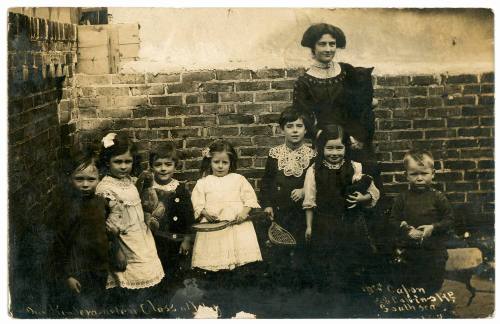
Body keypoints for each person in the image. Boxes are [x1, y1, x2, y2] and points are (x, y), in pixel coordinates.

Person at [302, 125, 380, 298]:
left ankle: (351, 298)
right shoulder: (314, 171)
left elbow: (373, 192)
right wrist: (309, 226)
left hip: (350, 223)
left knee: (350, 261)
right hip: (325, 223)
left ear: (346, 147)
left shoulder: (355, 167)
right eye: (329, 148)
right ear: (322, 149)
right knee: (327, 264)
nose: (334, 152)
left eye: (339, 148)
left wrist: (362, 198)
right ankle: (329, 300)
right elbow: (309, 200)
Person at [190, 139, 262, 317]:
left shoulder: (238, 179)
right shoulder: (204, 182)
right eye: (216, 162)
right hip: (215, 230)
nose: (220, 166)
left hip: (237, 228)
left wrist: (244, 212)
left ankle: (239, 308)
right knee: (216, 267)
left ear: (231, 163)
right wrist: (206, 213)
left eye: (225, 162)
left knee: (238, 268)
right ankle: (214, 306)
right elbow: (197, 203)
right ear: (210, 162)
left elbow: (249, 199)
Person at [95, 133, 164, 305]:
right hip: (124, 239)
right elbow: (108, 219)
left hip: (141, 236)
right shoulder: (106, 187)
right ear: (107, 162)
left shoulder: (129, 181)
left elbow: (138, 204)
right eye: (118, 162)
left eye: (128, 161)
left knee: (147, 274)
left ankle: (144, 308)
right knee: (128, 279)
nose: (124, 166)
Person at [260, 106, 316, 289]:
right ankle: (280, 290)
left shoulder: (312, 155)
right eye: (289, 126)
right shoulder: (275, 154)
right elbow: (266, 182)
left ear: (306, 129)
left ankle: (301, 290)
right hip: (279, 211)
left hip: (301, 213)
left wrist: (303, 190)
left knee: (301, 251)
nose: (294, 130)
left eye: (299, 126)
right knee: (279, 250)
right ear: (282, 129)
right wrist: (267, 205)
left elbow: (318, 182)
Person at [293, 23, 376, 145]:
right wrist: (322, 135)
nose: (328, 49)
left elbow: (365, 103)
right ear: (313, 47)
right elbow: (302, 119)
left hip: (356, 140)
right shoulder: (304, 83)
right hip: (327, 144)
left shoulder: (348, 71)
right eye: (322, 44)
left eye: (332, 44)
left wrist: (358, 137)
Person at [52, 147, 110, 311]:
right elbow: (60, 244)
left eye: (91, 179)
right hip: (79, 270)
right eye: (79, 179)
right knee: (83, 310)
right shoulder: (68, 207)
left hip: (100, 268)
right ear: (70, 178)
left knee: (99, 308)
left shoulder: (101, 203)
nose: (85, 184)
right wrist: (68, 275)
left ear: (99, 178)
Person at [389, 150, 454, 294]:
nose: (419, 178)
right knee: (410, 284)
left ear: (433, 173)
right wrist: (407, 229)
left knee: (432, 283)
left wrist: (433, 227)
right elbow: (393, 220)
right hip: (409, 251)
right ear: (406, 175)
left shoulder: (438, 198)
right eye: (413, 174)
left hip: (434, 251)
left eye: (424, 173)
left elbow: (449, 220)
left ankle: (430, 302)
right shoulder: (402, 198)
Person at [148, 142, 194, 289]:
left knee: (173, 276)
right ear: (151, 166)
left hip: (174, 241)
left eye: (168, 164)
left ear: (175, 166)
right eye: (158, 165)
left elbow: (189, 217)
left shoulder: (180, 189)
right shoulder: (147, 188)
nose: (163, 169)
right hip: (151, 241)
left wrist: (187, 239)